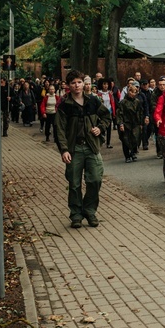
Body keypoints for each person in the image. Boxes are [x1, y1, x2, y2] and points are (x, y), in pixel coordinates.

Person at [55, 70, 112, 228]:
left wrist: (100, 128)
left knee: (95, 179)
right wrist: (64, 150)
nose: (77, 85)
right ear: (68, 85)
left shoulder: (93, 101)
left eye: (79, 82)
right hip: (74, 149)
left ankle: (89, 210)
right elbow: (59, 129)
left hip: (91, 147)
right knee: (74, 184)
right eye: (73, 83)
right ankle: (76, 214)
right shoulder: (64, 105)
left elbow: (107, 116)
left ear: (84, 83)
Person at [116, 85, 145, 162]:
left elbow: (140, 112)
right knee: (126, 139)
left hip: (135, 123)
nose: (132, 93)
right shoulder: (123, 102)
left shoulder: (137, 102)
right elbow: (119, 114)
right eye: (131, 91)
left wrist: (141, 123)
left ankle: (133, 153)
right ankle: (127, 156)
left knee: (135, 139)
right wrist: (121, 124)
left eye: (134, 92)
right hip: (126, 123)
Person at [150, 76, 165, 158]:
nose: (162, 86)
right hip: (157, 116)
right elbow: (153, 105)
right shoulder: (155, 93)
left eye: (163, 84)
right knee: (158, 135)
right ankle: (159, 151)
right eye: (160, 85)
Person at [97, 79, 116, 149]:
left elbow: (113, 103)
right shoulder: (99, 93)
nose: (105, 86)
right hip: (101, 113)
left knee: (109, 128)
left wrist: (114, 113)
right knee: (102, 127)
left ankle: (108, 143)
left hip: (109, 111)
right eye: (104, 84)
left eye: (107, 84)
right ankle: (101, 140)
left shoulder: (110, 93)